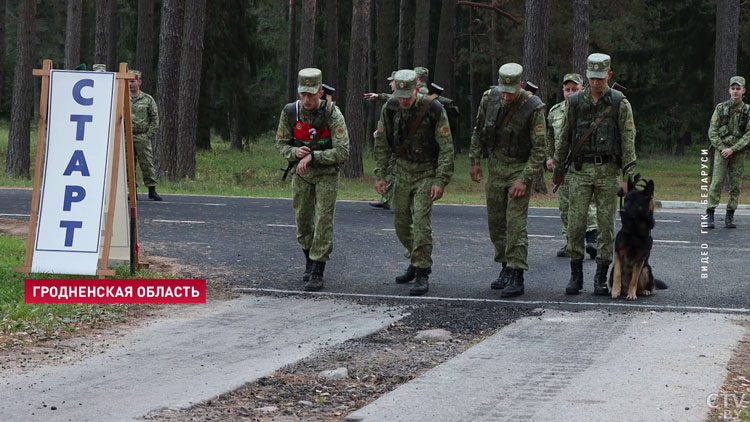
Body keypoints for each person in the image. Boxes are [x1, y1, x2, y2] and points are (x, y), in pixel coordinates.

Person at [553, 53, 637, 296]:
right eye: (592, 78)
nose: (596, 82)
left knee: (605, 226)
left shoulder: (619, 102)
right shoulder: (576, 101)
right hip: (579, 171)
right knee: (576, 224)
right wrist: (559, 170)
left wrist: (628, 176)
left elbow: (628, 141)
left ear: (609, 75)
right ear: (587, 76)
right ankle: (575, 274)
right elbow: (564, 139)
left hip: (608, 171)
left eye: (601, 78)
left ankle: (601, 276)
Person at [374, 69, 454, 296]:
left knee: (420, 224)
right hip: (402, 172)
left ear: (417, 90)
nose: (404, 101)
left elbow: (447, 148)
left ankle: (421, 272)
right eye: (400, 96)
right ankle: (417, 259)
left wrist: (441, 180)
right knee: (401, 224)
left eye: (407, 96)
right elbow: (382, 144)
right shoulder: (390, 107)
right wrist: (381, 175)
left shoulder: (433, 109)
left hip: (426, 172)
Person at [469, 63, 546, 298]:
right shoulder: (489, 98)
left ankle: (517, 272)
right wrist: (475, 160)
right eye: (503, 91)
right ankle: (504, 265)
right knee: (496, 223)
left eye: (510, 92)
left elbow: (540, 149)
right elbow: (478, 129)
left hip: (519, 169)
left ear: (520, 85)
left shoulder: (533, 107)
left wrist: (524, 179)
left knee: (515, 224)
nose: (506, 96)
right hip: (496, 168)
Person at [275, 68, 350, 291]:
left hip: (326, 173)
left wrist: (314, 156)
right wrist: (294, 153)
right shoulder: (290, 112)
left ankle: (318, 269)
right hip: (301, 175)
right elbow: (281, 143)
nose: (307, 99)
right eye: (303, 94)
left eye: (311, 94)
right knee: (303, 220)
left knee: (323, 221)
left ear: (320, 92)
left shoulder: (332, 114)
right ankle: (308, 261)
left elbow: (343, 151)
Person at [546, 73, 598, 259]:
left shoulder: (590, 109)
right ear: (562, 91)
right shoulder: (555, 112)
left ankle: (592, 238)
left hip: (584, 164)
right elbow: (550, 138)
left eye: (574, 89)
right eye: (567, 89)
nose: (570, 93)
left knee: (587, 202)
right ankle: (570, 240)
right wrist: (550, 158)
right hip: (563, 166)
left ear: (582, 89)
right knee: (565, 202)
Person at [706, 76, 750, 229]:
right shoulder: (721, 108)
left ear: (743, 91)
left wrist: (733, 149)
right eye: (733, 88)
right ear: (729, 90)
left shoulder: (747, 110)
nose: (735, 91)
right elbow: (712, 131)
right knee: (716, 182)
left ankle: (730, 215)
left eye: (739, 89)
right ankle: (710, 213)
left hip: (738, 152)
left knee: (736, 185)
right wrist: (722, 148)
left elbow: (748, 134)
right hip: (721, 151)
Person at [364, 72, 397, 210]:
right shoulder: (395, 98)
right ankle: (387, 199)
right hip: (391, 139)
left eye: (392, 81)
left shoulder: (404, 98)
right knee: (390, 170)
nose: (390, 84)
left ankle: (394, 202)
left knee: (395, 171)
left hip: (397, 142)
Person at [128, 69, 162, 201]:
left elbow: (155, 119)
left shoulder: (147, 99)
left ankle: (152, 190)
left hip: (142, 136)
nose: (130, 84)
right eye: (128, 82)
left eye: (132, 81)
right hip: (127, 137)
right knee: (128, 166)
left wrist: (149, 135)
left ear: (139, 82)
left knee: (147, 163)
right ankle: (132, 191)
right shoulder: (122, 98)